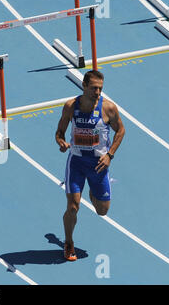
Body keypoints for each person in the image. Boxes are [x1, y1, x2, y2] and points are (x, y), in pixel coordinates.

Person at [55, 70, 125, 261]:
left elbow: (121, 131)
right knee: (73, 207)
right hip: (76, 162)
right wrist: (61, 143)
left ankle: (93, 192)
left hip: (98, 165)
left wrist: (110, 155)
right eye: (94, 88)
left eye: (100, 88)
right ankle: (68, 242)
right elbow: (59, 132)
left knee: (103, 211)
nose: (97, 92)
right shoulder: (70, 106)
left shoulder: (109, 108)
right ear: (84, 86)